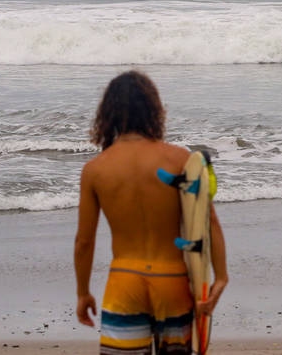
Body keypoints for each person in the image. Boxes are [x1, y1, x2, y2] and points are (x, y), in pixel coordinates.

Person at [74, 70, 228, 354]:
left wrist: (83, 292)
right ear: (155, 109)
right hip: (173, 283)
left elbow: (84, 242)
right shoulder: (180, 159)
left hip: (124, 282)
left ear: (107, 113)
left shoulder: (95, 170)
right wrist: (221, 278)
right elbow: (209, 223)